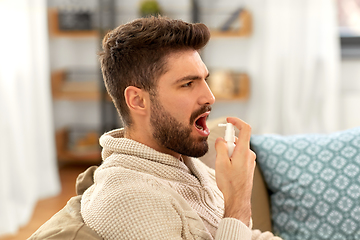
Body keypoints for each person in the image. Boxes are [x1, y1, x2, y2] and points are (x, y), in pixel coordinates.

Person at [29, 16, 281, 240]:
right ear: (138, 100)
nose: (210, 97)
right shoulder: (128, 199)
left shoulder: (183, 162)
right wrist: (237, 200)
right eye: (187, 84)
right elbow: (235, 223)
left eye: (205, 79)